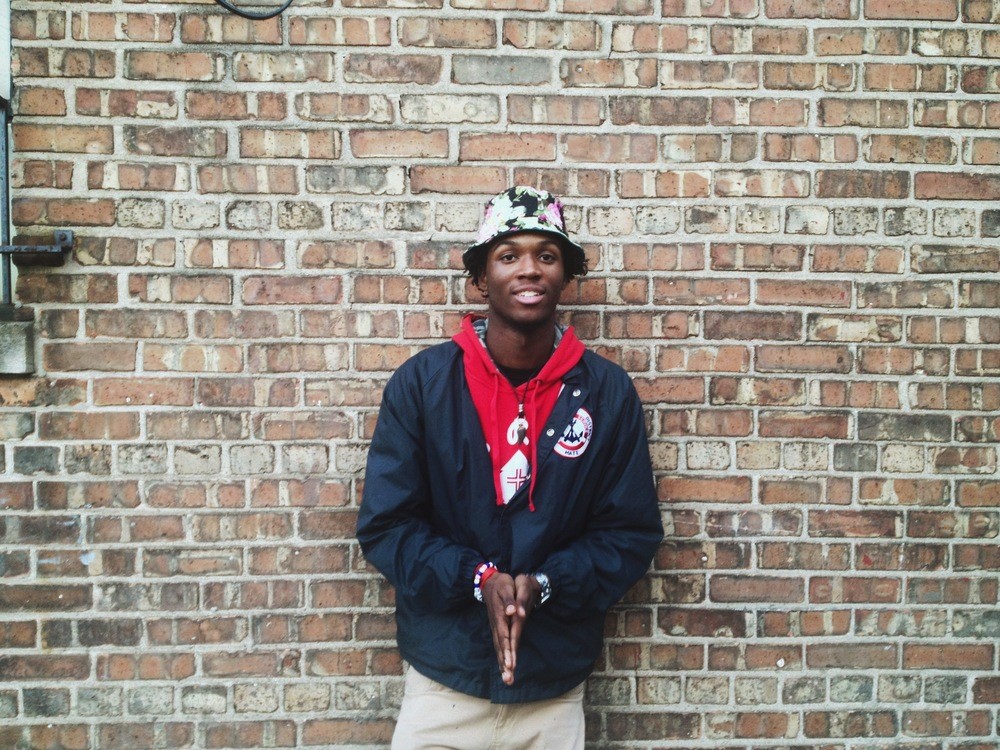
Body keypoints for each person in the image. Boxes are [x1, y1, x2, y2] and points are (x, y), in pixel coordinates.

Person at [356, 186, 664, 750]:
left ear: (565, 275)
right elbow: (387, 526)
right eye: (508, 255)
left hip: (552, 691)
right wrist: (478, 580)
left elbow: (630, 533)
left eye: (547, 255)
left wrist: (545, 585)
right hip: (444, 685)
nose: (529, 269)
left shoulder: (606, 394)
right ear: (482, 277)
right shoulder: (423, 385)